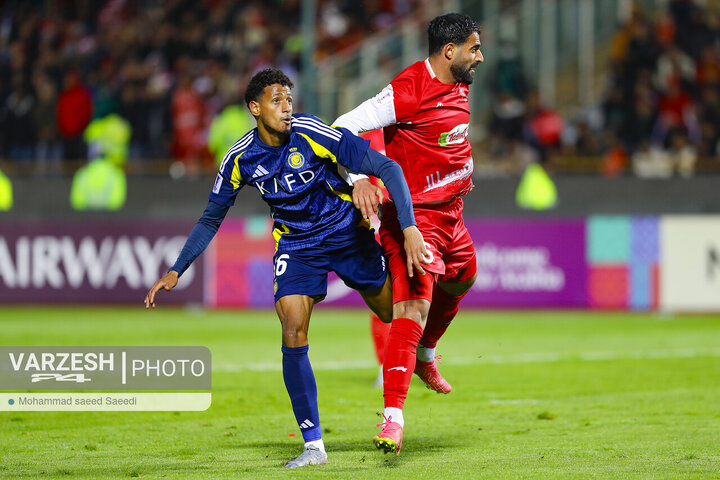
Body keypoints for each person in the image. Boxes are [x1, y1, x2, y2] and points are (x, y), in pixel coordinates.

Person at [144, 68, 429, 468]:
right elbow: (211, 218)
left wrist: (408, 225)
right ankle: (313, 444)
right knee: (292, 327)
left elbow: (389, 169)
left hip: (346, 231)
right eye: (277, 101)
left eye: (289, 100)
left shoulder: (313, 132)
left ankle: (425, 354)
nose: (286, 108)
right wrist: (177, 269)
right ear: (255, 108)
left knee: (395, 315)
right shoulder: (239, 158)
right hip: (297, 246)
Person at [334, 13, 483, 454]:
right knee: (413, 307)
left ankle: (426, 354)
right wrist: (357, 177)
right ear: (449, 51)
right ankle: (392, 420)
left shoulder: (460, 83)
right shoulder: (409, 89)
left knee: (466, 276)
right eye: (474, 48)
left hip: (452, 214)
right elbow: (343, 125)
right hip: (412, 220)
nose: (480, 56)